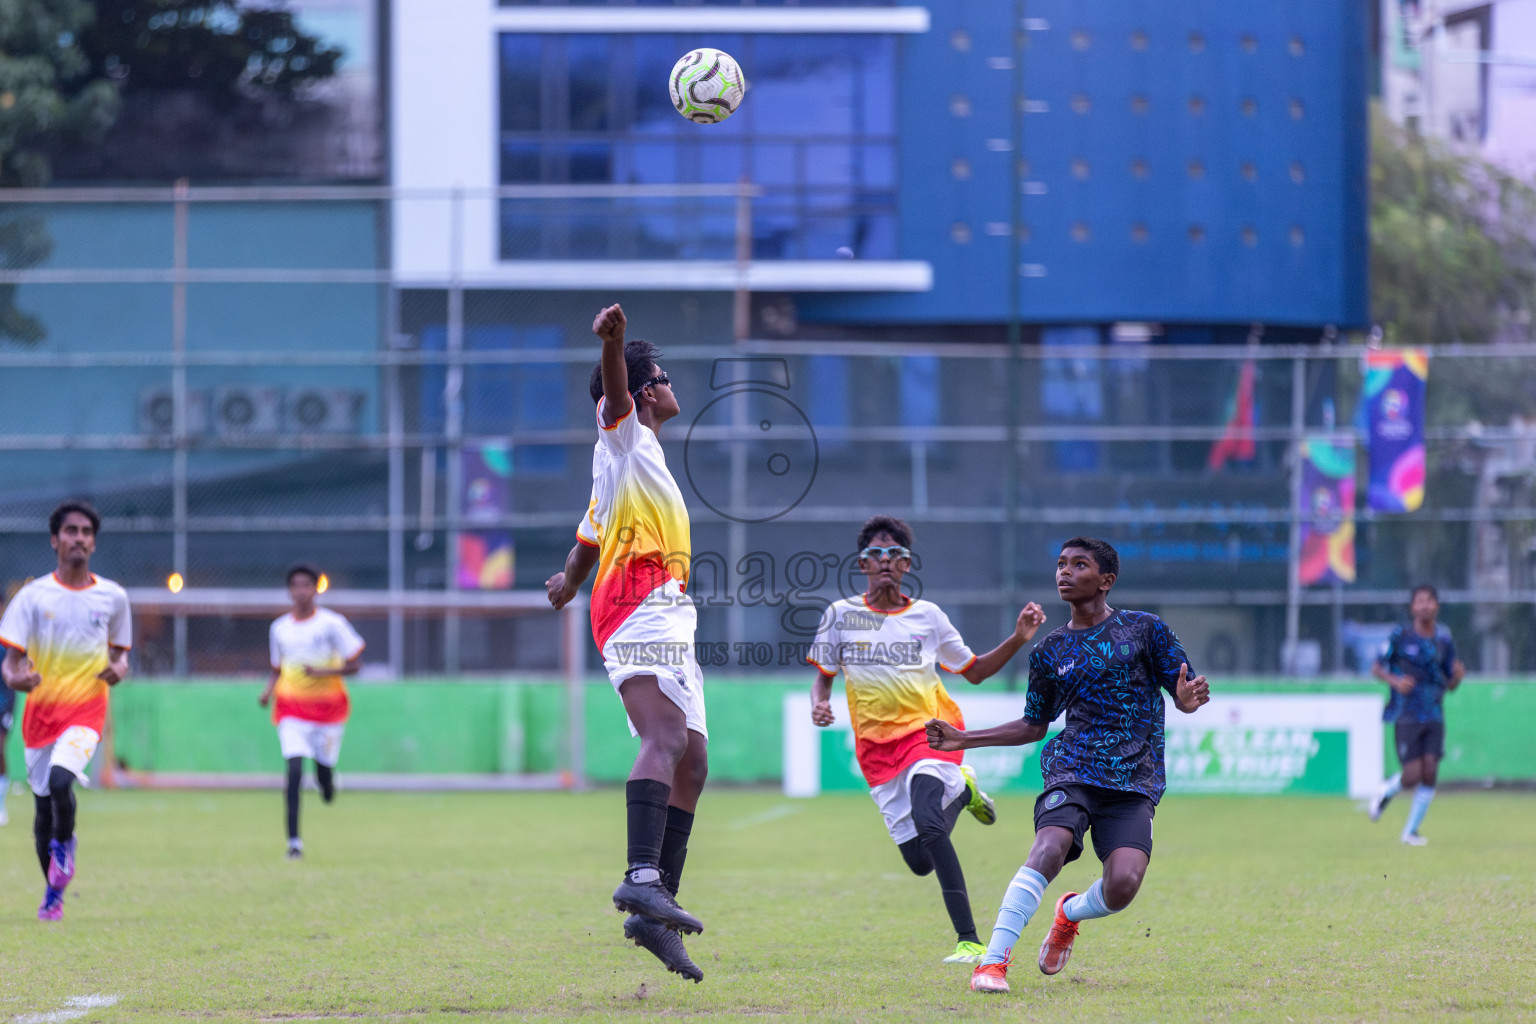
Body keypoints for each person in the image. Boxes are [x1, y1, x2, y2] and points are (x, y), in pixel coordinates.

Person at [925, 537, 1209, 994]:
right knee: (1049, 848)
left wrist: (1187, 699)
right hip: (1071, 768)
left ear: (1106, 580)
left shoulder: (1145, 630)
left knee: (1123, 886)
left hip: (1134, 778)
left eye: (1079, 565)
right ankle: (992, 964)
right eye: (1061, 564)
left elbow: (1182, 690)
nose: (1065, 572)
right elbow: (1035, 725)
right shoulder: (1049, 650)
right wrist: (965, 739)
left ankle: (1068, 914)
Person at [546, 303, 708, 983]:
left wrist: (566, 582)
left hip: (665, 610)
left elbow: (587, 538)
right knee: (664, 739)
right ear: (646, 393)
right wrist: (614, 346)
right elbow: (614, 396)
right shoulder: (628, 436)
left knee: (693, 761)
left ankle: (653, 911)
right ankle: (640, 876)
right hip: (637, 605)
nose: (673, 387)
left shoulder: (632, 464)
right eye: (664, 378)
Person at [808, 515, 1047, 965]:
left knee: (929, 823)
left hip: (930, 734)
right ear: (861, 564)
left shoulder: (928, 616)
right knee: (919, 859)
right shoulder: (840, 616)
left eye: (893, 555)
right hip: (876, 752)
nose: (884, 561)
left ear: (907, 564)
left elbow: (973, 671)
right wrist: (819, 702)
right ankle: (966, 791)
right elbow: (823, 676)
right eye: (874, 555)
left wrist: (1018, 638)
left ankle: (970, 940)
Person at [0, 501, 132, 921]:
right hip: (40, 716)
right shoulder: (33, 596)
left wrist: (119, 668)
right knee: (41, 814)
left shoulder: (112, 596)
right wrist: (15, 678)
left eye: (87, 532)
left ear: (93, 542)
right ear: (55, 540)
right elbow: (10, 662)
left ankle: (66, 844)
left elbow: (121, 655)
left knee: (61, 782)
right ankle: (52, 891)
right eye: (71, 531)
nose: (79, 538)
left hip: (87, 710)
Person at [258, 564, 364, 860]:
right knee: (293, 771)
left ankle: (327, 782)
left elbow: (356, 665)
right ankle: (294, 842)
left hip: (328, 712)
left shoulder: (332, 624)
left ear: (316, 589)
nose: (300, 590)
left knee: (323, 774)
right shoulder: (279, 628)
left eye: (306, 585)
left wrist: (323, 671)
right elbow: (277, 668)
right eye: (295, 585)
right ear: (289, 590)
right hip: (291, 708)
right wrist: (268, 691)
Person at [1367, 585, 1465, 845]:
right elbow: (1376, 668)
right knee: (1412, 775)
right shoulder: (1400, 637)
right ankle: (1387, 790)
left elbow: (1450, 683)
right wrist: (1395, 681)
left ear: (1437, 606)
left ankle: (1410, 831)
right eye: (1420, 601)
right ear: (1413, 607)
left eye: (1429, 601)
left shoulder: (1444, 641)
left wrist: (1457, 677)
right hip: (1406, 714)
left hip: (1434, 714)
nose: (1425, 605)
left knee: (1431, 771)